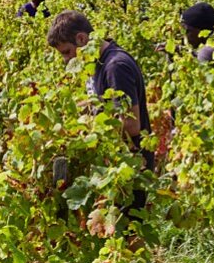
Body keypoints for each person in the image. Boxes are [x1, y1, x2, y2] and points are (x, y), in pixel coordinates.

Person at [47, 11, 154, 210]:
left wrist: (85, 135)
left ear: (81, 39)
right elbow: (101, 104)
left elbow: (131, 124)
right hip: (116, 162)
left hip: (130, 164)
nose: (66, 60)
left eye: (67, 52)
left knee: (128, 234)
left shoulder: (115, 67)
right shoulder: (98, 63)